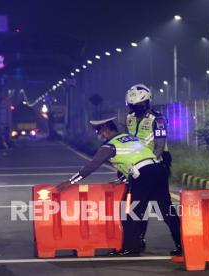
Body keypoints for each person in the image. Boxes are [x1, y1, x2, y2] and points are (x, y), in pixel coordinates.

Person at [56, 117, 182, 256]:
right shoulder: (129, 138)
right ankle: (182, 244)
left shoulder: (109, 146)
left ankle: (131, 248)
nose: (99, 135)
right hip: (159, 170)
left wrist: (71, 181)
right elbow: (137, 158)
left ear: (106, 129)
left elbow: (92, 166)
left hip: (143, 176)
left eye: (99, 131)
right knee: (166, 211)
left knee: (130, 212)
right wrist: (123, 178)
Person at [125, 84, 174, 251]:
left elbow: (159, 147)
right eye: (132, 106)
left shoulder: (158, 119)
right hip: (137, 167)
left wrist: (147, 166)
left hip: (157, 165)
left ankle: (181, 243)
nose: (135, 109)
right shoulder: (129, 118)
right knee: (138, 206)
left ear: (146, 103)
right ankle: (137, 243)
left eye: (138, 105)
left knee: (164, 207)